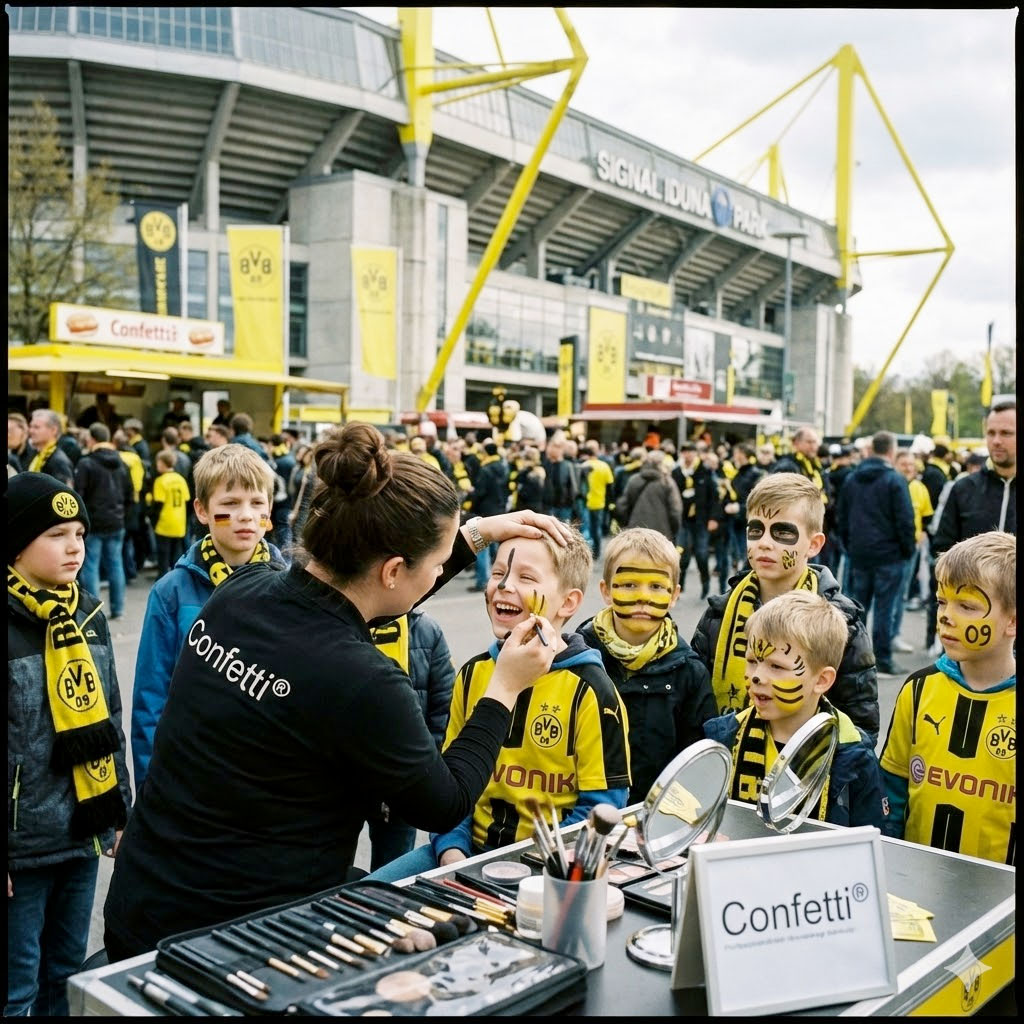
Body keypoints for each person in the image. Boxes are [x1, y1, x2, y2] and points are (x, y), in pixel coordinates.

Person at [103, 421, 572, 959]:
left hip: (143, 901)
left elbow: (360, 602)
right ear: (394, 569)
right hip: (237, 938)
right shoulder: (363, 681)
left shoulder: (242, 591)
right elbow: (444, 802)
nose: (444, 570)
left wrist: (475, 533)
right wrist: (504, 688)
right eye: (439, 563)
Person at [367, 525, 631, 882]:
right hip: (460, 855)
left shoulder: (592, 692)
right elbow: (451, 778)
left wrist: (529, 865)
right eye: (497, 573)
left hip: (545, 870)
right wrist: (451, 849)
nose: (504, 586)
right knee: (365, 895)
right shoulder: (473, 674)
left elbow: (602, 808)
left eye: (525, 576)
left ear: (568, 602)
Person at [7, 473, 132, 1016]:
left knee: (66, 976)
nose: (76, 546)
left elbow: (111, 717)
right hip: (21, 843)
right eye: (56, 534)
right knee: (16, 989)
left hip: (82, 829)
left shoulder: (88, 615)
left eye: (80, 532)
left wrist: (120, 809)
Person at [130, 446, 285, 793]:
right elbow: (151, 698)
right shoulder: (171, 593)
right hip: (191, 776)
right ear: (202, 510)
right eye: (229, 504)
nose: (245, 515)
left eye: (256, 503)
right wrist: (150, 788)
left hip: (267, 779)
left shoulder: (291, 589)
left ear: (270, 510)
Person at [691, 473, 880, 743]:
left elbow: (861, 724)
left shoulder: (841, 621)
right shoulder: (719, 614)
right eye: (755, 530)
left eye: (782, 532)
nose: (764, 542)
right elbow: (696, 708)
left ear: (814, 545)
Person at [879, 532, 1015, 865]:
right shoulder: (919, 688)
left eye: (966, 605)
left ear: (1012, 621)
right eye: (942, 601)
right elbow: (893, 789)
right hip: (917, 879)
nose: (945, 616)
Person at [703, 591, 884, 827]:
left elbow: (870, 840)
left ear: (821, 680)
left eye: (776, 666)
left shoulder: (853, 754)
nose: (757, 676)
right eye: (752, 661)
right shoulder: (724, 738)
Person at [578, 527, 715, 803]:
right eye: (629, 584)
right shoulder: (578, 659)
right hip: (584, 816)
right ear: (606, 590)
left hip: (656, 819)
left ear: (674, 595)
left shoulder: (689, 672)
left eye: (655, 586)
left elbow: (697, 760)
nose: (642, 596)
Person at [363, 611, 456, 871]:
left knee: (391, 871)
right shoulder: (343, 623)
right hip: (344, 782)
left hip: (403, 782)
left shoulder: (426, 631)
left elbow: (443, 712)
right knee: (331, 877)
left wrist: (421, 771)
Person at [836, 430, 916, 678]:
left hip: (860, 553)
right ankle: (882, 658)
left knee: (857, 608)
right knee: (885, 608)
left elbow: (842, 516)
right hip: (889, 554)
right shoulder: (894, 480)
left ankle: (853, 658)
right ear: (891, 452)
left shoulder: (852, 478)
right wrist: (907, 550)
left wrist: (850, 546)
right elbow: (905, 520)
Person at [931, 400, 1016, 554]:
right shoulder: (963, 488)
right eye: (991, 433)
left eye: (1006, 433)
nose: (996, 441)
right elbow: (942, 550)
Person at [74, 424, 134, 622]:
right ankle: (118, 608)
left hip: (94, 522)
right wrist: (122, 514)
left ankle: (93, 612)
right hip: (117, 522)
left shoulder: (86, 463)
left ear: (91, 439)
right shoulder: (122, 463)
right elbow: (129, 494)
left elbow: (79, 494)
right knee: (115, 564)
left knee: (91, 566)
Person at [891, 449, 934, 655]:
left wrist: (923, 533)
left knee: (901, 593)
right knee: (889, 596)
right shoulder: (890, 486)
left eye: (911, 465)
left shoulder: (919, 488)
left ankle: (894, 635)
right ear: (895, 465)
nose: (908, 468)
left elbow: (926, 516)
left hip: (912, 548)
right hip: (891, 548)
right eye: (903, 464)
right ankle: (885, 637)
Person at [671, 441, 720, 599]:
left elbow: (714, 497)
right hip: (683, 520)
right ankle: (680, 587)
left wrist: (713, 518)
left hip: (701, 519)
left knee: (701, 554)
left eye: (691, 451)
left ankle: (705, 584)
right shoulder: (677, 472)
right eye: (685, 452)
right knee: (681, 554)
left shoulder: (704, 471)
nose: (688, 455)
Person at [615, 447, 682, 546]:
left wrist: (627, 525)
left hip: (635, 531)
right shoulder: (667, 482)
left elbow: (622, 507)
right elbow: (675, 511)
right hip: (662, 534)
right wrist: (673, 530)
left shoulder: (634, 480)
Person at [466, 439, 509, 592]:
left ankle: (483, 580)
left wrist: (472, 498)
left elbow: (481, 492)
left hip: (485, 510)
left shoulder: (486, 469)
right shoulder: (504, 467)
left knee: (481, 544)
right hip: (499, 507)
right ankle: (500, 575)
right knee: (497, 546)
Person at [147, 450, 190, 579]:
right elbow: (187, 500)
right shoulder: (180, 479)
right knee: (176, 553)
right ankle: (176, 576)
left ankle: (163, 577)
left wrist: (153, 520)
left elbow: (158, 504)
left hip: (165, 522)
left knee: (163, 554)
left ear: (162, 463)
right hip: (179, 522)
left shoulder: (160, 481)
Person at [581, 440, 615, 560]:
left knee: (586, 529)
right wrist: (610, 502)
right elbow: (610, 484)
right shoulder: (604, 466)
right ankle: (597, 553)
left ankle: (586, 553)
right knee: (597, 528)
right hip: (599, 502)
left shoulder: (583, 466)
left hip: (585, 503)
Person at [26, 409, 75, 487]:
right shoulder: (37, 455)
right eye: (30, 426)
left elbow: (63, 494)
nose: (30, 431)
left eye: (36, 427)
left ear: (53, 430)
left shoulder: (59, 461)